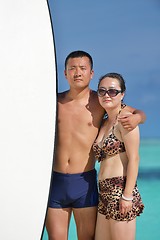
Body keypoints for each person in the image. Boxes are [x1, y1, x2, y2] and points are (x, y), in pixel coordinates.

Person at [45, 51, 146, 240]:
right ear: (65, 73)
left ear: (91, 73)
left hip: (85, 183)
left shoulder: (99, 102)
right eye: (72, 68)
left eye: (83, 68)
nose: (77, 73)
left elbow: (136, 112)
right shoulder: (54, 102)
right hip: (55, 181)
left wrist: (138, 117)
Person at [93, 72, 144, 240]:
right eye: (102, 91)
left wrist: (127, 196)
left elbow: (134, 159)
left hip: (120, 191)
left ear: (122, 94)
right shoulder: (104, 121)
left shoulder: (126, 120)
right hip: (104, 194)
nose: (107, 95)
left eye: (113, 91)